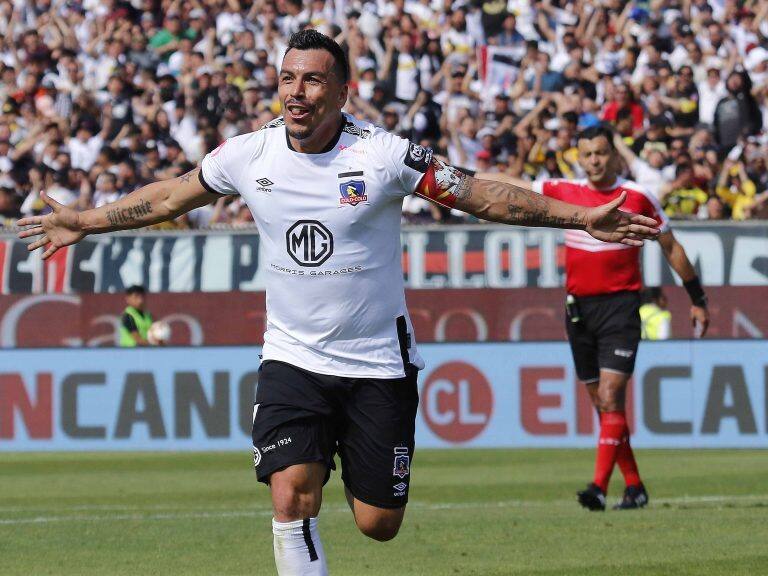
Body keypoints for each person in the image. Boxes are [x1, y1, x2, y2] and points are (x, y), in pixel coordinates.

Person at [17, 31, 660, 575]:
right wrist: (87, 220)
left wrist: (579, 217)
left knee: (379, 523)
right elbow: (168, 198)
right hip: (292, 358)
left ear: (342, 92)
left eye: (313, 81)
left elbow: (482, 195)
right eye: (288, 79)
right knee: (291, 498)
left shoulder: (381, 155)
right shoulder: (249, 154)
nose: (296, 92)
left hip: (377, 361)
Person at [477, 125, 709, 511]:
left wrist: (697, 299)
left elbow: (671, 246)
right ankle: (634, 487)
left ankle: (598, 487)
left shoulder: (637, 196)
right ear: (579, 158)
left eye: (601, 153)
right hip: (578, 310)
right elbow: (511, 184)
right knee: (604, 406)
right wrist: (462, 175)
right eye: (587, 155)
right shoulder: (562, 190)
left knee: (610, 395)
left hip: (620, 306)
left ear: (614, 155)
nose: (595, 161)